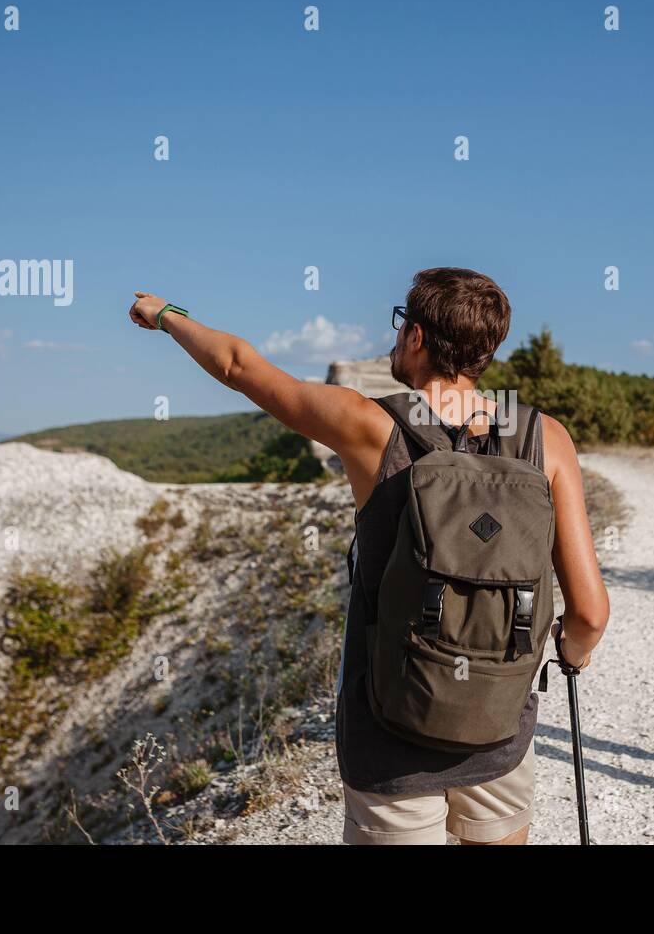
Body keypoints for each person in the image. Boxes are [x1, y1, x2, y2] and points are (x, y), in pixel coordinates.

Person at [128, 267, 609, 844]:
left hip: (390, 735)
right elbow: (590, 614)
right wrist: (571, 656)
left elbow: (238, 366)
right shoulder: (545, 439)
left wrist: (165, 315)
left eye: (402, 323)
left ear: (418, 338)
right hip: (498, 733)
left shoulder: (371, 427)